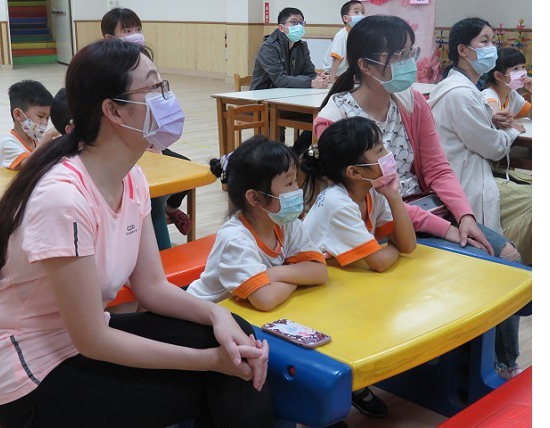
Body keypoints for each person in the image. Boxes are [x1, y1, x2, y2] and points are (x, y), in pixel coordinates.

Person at [0, 38, 273, 427]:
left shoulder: (132, 178)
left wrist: (217, 314)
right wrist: (208, 362)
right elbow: (93, 339)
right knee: (215, 376)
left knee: (234, 335)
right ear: (113, 110)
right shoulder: (63, 198)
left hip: (82, 342)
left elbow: (152, 287)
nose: (167, 98)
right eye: (155, 87)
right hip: (30, 378)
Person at [313, 15, 524, 382]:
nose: (409, 63)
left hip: (426, 209)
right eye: (399, 56)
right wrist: (448, 229)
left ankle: (499, 366)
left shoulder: (411, 101)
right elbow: (376, 200)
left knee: (507, 256)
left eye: (411, 53)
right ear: (365, 66)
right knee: (484, 259)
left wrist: (466, 217)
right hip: (381, 220)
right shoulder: (335, 120)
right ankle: (483, 369)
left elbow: (439, 168)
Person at [427, 18, 532, 268]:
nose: (491, 48)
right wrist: (511, 131)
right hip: (464, 180)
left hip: (476, 172)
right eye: (484, 41)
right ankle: (516, 265)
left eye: (493, 41)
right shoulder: (460, 93)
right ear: (463, 50)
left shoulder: (465, 88)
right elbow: (493, 148)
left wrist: (491, 120)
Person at [186, 136, 328, 311]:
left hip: (243, 313)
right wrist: (297, 277)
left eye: (296, 180)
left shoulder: (287, 224)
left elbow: (320, 272)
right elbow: (265, 299)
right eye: (289, 183)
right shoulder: (235, 240)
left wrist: (274, 274)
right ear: (255, 198)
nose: (297, 189)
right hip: (203, 314)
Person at [102, 7, 194, 240]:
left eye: (138, 29)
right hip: (127, 146)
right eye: (127, 31)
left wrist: (154, 143)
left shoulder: (144, 61)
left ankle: (169, 209)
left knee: (185, 169)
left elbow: (156, 113)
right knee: (149, 196)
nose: (135, 35)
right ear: (109, 39)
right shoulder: (106, 74)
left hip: (145, 143)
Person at [302, 116, 416, 272]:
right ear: (354, 172)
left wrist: (394, 197)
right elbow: (380, 262)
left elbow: (408, 245)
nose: (388, 153)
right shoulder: (337, 203)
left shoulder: (373, 191)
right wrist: (396, 247)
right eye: (380, 150)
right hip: (311, 276)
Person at [250, 7, 329, 148]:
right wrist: (311, 82)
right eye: (293, 22)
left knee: (323, 117)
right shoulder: (268, 47)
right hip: (263, 102)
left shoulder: (302, 46)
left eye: (301, 22)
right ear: (281, 27)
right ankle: (280, 156)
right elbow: (280, 79)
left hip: (291, 98)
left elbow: (309, 72)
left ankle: (295, 152)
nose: (299, 26)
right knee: (275, 131)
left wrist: (319, 78)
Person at [0, 79, 53, 170]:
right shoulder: (9, 143)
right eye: (40, 116)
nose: (45, 122)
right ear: (18, 115)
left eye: (47, 117)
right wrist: (48, 136)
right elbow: (29, 166)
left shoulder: (38, 139)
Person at [482, 47, 532, 119]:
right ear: (498, 76)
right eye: (516, 69)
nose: (522, 73)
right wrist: (513, 124)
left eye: (523, 67)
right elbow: (498, 120)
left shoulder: (512, 94)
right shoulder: (488, 95)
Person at [322, 1, 366, 84]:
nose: (361, 15)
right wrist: (332, 79)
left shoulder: (359, 35)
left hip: (348, 74)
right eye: (356, 12)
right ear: (346, 18)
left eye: (362, 12)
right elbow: (336, 58)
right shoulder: (341, 35)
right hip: (334, 74)